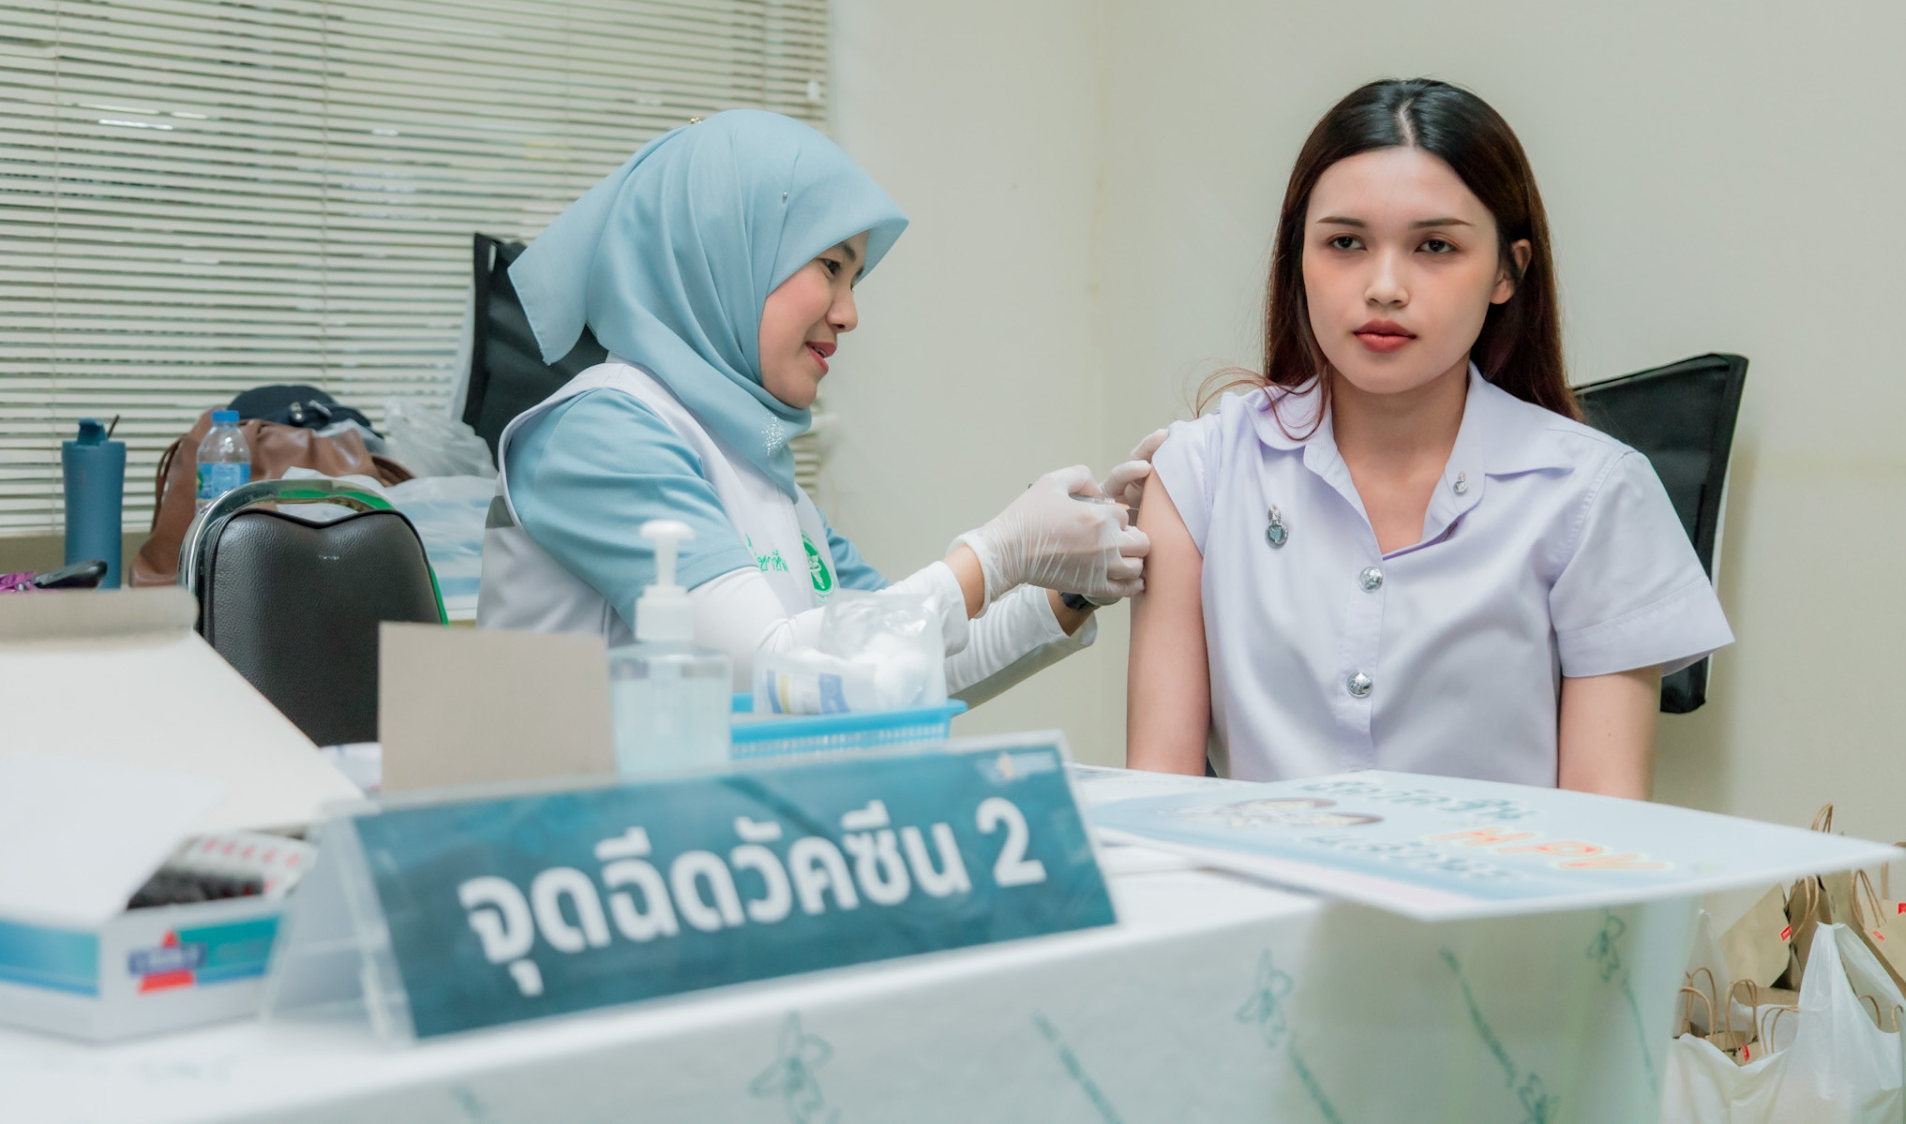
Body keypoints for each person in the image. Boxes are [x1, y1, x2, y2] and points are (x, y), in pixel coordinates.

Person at [1125, 79, 1732, 798]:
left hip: (1510, 878)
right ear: (1298, 259)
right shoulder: (1200, 474)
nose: (1385, 286)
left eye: (1435, 245)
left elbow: (1603, 827)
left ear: (1508, 271)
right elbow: (1159, 802)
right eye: (1345, 243)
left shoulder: (1594, 495)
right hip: (1251, 877)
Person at [479, 110, 1163, 706]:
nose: (848, 313)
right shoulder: (600, 432)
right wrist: (998, 553)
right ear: (727, 251)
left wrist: (1072, 581)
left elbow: (892, 663)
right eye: (830, 267)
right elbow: (769, 670)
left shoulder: (761, 475)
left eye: (854, 278)